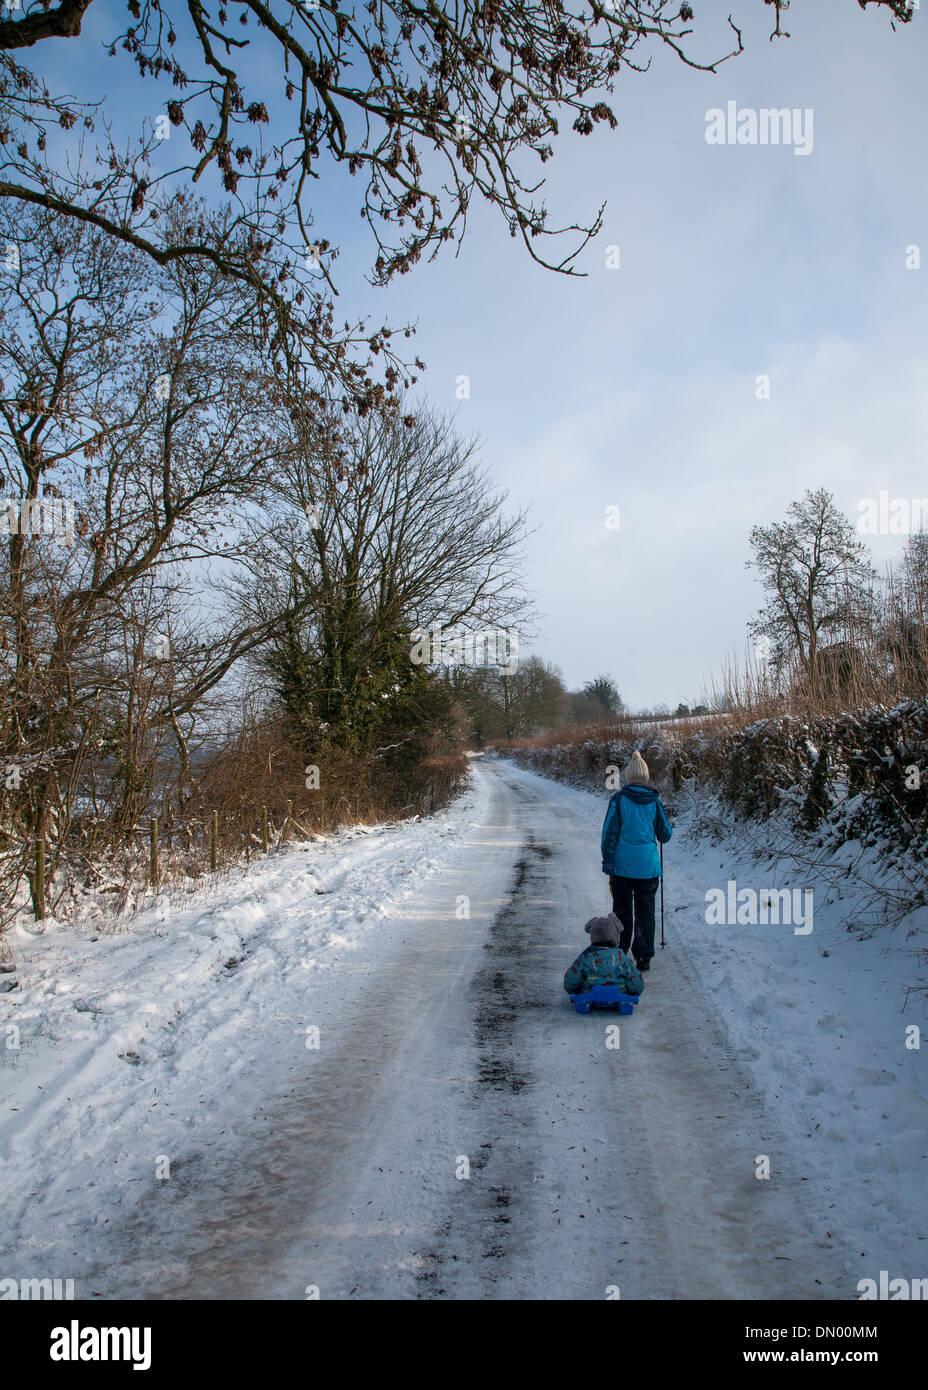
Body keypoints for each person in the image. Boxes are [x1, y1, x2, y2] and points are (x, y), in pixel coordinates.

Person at [600, 751, 672, 973]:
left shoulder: (619, 800)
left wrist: (608, 858)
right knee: (646, 912)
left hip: (622, 868)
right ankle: (643, 957)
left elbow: (609, 833)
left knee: (622, 911)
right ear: (647, 778)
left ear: (628, 778)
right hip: (648, 868)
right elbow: (665, 835)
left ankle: (620, 952)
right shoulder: (655, 802)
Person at [563, 913, 644, 997]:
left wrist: (574, 991)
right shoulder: (623, 959)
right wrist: (634, 992)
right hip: (619, 993)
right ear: (615, 937)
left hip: (589, 993)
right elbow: (637, 983)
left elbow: (570, 981)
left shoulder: (584, 958)